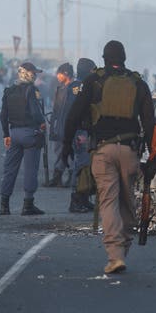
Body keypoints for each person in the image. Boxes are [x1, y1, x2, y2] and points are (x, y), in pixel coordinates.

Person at [63, 41, 155, 274]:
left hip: (103, 151)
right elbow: (149, 121)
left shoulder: (93, 81)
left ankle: (115, 255)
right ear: (124, 58)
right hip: (129, 149)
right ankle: (123, 247)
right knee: (127, 202)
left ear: (104, 58)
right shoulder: (138, 83)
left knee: (108, 202)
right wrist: (153, 152)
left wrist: (66, 145)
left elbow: (74, 115)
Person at [0, 62, 47, 216]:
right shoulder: (31, 90)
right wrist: (42, 123)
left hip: (14, 133)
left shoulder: (9, 91)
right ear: (28, 74)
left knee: (9, 170)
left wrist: (6, 134)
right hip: (29, 133)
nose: (35, 75)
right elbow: (35, 112)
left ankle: (4, 205)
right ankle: (28, 205)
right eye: (33, 73)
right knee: (30, 170)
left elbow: (3, 115)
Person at [68, 58, 97, 213]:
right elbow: (77, 112)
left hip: (83, 131)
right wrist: (80, 131)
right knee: (81, 166)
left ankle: (84, 198)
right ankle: (76, 200)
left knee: (87, 166)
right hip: (81, 132)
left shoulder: (78, 85)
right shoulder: (79, 87)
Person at [48, 63, 81, 188]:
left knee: (71, 152)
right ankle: (58, 176)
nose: (57, 76)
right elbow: (56, 109)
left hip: (71, 127)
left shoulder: (75, 88)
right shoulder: (60, 88)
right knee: (59, 151)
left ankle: (71, 177)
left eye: (59, 73)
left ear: (66, 73)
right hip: (60, 126)